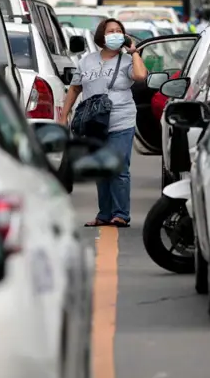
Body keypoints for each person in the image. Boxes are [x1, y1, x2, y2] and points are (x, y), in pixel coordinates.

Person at [59, 18, 148, 228]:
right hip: (94, 123)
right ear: (102, 35)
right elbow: (74, 88)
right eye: (111, 31)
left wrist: (134, 51)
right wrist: (64, 115)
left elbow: (141, 75)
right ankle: (104, 214)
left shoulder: (127, 60)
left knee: (118, 168)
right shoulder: (87, 61)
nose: (116, 34)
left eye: (119, 31)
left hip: (121, 120)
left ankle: (120, 214)